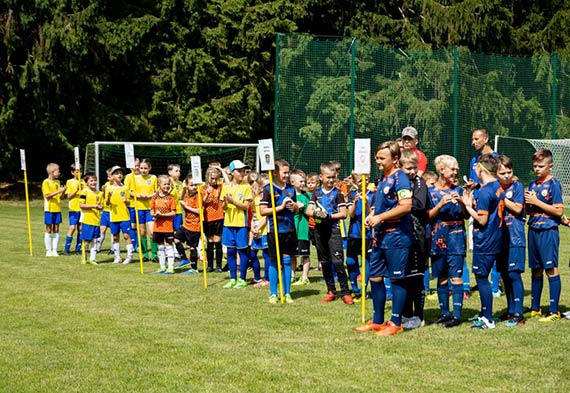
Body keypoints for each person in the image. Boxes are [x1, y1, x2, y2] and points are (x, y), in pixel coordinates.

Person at [355, 141, 412, 336]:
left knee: (396, 279)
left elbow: (406, 206)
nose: (377, 161)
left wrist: (380, 217)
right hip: (380, 236)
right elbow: (380, 205)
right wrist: (372, 215)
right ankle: (378, 320)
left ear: (395, 159)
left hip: (397, 236)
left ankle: (395, 322)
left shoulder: (401, 178)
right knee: (375, 276)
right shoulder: (382, 178)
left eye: (381, 158)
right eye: (377, 157)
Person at [462, 154, 504, 329]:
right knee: (483, 277)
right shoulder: (496, 187)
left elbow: (482, 220)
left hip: (485, 240)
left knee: (481, 277)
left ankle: (488, 318)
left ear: (481, 169)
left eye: (476, 168)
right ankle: (484, 313)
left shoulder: (486, 192)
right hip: (496, 237)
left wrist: (468, 206)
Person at [524, 149, 565, 322]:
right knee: (536, 270)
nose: (537, 169)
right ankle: (535, 308)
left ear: (550, 166)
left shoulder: (554, 184)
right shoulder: (533, 185)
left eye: (540, 166)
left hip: (548, 230)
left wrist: (537, 202)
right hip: (533, 229)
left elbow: (558, 210)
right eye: (535, 166)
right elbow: (528, 209)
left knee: (551, 269)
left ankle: (554, 311)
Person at [427, 155, 467, 328]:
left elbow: (466, 215)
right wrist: (440, 204)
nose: (455, 172)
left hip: (456, 237)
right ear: (441, 170)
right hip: (438, 237)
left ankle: (457, 315)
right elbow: (428, 216)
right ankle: (444, 313)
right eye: (453, 169)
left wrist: (463, 204)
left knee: (456, 276)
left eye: (457, 169)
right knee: (441, 276)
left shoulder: (459, 190)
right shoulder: (430, 191)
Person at [306, 162, 353, 305]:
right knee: (325, 262)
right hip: (319, 232)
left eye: (333, 177)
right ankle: (331, 291)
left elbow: (344, 214)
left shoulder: (337, 194)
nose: (331, 180)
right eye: (328, 177)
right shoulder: (317, 193)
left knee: (338, 262)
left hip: (334, 230)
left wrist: (329, 216)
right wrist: (316, 213)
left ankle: (345, 292)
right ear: (321, 177)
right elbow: (308, 211)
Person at [465, 128, 501, 297]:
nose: (473, 142)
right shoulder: (474, 159)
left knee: (492, 245)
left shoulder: (496, 158)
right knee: (478, 246)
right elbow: (479, 182)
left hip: (491, 207)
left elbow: (498, 181)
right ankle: (484, 281)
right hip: (477, 204)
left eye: (476, 138)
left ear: (486, 139)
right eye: (472, 139)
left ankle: (495, 285)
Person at [260, 159, 299, 303]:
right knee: (274, 261)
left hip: (289, 230)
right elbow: (263, 211)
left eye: (288, 172)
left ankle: (287, 293)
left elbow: (295, 211)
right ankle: (273, 293)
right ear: (275, 173)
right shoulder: (268, 189)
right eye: (285, 172)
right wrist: (280, 207)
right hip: (274, 230)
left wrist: (294, 206)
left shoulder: (291, 189)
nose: (287, 175)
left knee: (287, 260)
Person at [399, 150, 429, 329]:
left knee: (416, 277)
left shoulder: (419, 182)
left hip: (416, 234)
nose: (412, 171)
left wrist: (402, 204)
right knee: (402, 275)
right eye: (408, 168)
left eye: (414, 168)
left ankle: (419, 314)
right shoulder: (397, 181)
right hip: (399, 234)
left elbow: (418, 204)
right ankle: (405, 313)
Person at [496, 155, 526, 327]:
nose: (507, 175)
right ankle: (509, 310)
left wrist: (501, 197)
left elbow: (517, 208)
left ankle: (519, 313)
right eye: (502, 173)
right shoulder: (495, 187)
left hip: (515, 237)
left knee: (514, 274)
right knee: (505, 275)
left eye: (509, 172)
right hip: (500, 239)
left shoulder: (518, 186)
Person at [220, 160, 253, 288]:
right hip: (228, 223)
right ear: (232, 172)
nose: (241, 173)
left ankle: (242, 278)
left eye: (243, 171)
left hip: (241, 224)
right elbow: (223, 207)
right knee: (230, 251)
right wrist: (225, 203)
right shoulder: (226, 187)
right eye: (239, 170)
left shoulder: (246, 187)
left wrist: (232, 201)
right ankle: (233, 278)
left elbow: (246, 206)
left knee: (243, 251)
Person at [345, 172, 374, 301]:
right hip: (354, 233)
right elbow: (350, 214)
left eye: (366, 179)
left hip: (367, 234)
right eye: (360, 181)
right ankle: (354, 288)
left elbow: (373, 212)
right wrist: (355, 202)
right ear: (356, 183)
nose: (364, 182)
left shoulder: (373, 194)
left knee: (367, 261)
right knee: (350, 261)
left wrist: (367, 203)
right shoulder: (351, 195)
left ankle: (364, 289)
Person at [106, 166, 134, 264]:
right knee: (115, 237)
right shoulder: (108, 188)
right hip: (114, 216)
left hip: (124, 216)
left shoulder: (125, 188)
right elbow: (106, 203)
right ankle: (117, 257)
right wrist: (108, 198)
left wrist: (126, 201)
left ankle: (129, 256)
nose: (119, 175)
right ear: (112, 176)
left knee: (126, 235)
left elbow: (129, 202)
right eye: (116, 173)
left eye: (121, 173)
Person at [174, 174, 201, 274]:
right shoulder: (187, 195)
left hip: (195, 226)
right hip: (186, 225)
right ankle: (184, 258)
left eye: (195, 185)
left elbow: (199, 211)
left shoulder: (198, 196)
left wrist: (186, 207)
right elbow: (180, 199)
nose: (194, 187)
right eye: (191, 185)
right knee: (176, 239)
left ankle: (194, 268)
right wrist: (184, 188)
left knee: (192, 247)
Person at [200, 166, 225, 272]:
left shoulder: (219, 187)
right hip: (207, 218)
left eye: (216, 178)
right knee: (210, 241)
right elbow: (201, 203)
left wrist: (221, 170)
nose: (214, 181)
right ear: (207, 177)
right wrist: (207, 194)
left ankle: (218, 266)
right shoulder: (202, 189)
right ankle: (210, 265)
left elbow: (228, 182)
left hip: (219, 216)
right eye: (212, 178)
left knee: (217, 241)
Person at [150, 175, 177, 274]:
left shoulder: (171, 198)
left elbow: (173, 212)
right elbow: (151, 211)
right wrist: (155, 214)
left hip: (168, 227)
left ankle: (170, 267)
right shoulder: (155, 197)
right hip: (158, 227)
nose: (166, 186)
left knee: (169, 246)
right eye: (164, 184)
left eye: (168, 184)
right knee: (160, 247)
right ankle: (162, 267)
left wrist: (162, 214)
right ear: (159, 185)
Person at [132, 158, 157, 261]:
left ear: (149, 168)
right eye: (141, 168)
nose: (143, 170)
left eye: (145, 168)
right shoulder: (135, 178)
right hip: (139, 208)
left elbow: (157, 192)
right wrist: (138, 195)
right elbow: (130, 192)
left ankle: (155, 255)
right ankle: (145, 254)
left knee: (152, 231)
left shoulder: (154, 178)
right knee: (142, 232)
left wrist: (149, 196)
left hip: (150, 208)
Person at [290, 170, 311, 286]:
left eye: (304, 181)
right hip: (292, 230)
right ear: (292, 182)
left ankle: (304, 277)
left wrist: (302, 207)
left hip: (303, 230)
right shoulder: (289, 195)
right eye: (301, 181)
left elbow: (310, 211)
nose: (303, 183)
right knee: (292, 254)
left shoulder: (306, 196)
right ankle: (292, 275)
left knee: (305, 254)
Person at [42, 163, 66, 257]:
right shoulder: (46, 182)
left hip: (57, 208)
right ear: (52, 172)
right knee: (49, 228)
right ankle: (48, 250)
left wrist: (62, 192)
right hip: (49, 208)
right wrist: (58, 191)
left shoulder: (58, 182)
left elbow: (60, 196)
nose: (59, 173)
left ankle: (54, 250)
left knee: (56, 228)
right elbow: (47, 196)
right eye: (58, 171)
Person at [251, 173, 270, 287]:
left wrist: (258, 228)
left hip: (266, 231)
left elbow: (266, 217)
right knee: (252, 254)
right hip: (256, 231)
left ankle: (267, 279)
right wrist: (253, 227)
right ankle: (257, 277)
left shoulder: (269, 200)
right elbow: (254, 215)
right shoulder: (256, 199)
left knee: (266, 255)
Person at [79, 172, 102, 265]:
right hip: (87, 219)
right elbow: (81, 205)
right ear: (86, 182)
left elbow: (101, 205)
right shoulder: (84, 192)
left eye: (95, 180)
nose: (93, 182)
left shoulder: (99, 193)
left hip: (96, 220)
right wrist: (93, 206)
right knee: (87, 240)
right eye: (91, 181)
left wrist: (100, 207)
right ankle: (84, 257)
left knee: (95, 240)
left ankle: (93, 259)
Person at [64, 163, 84, 255]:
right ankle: (66, 248)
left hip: (82, 209)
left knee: (81, 229)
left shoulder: (84, 182)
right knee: (72, 228)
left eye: (80, 171)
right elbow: (69, 196)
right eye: (77, 171)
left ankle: (78, 249)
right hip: (73, 209)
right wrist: (76, 190)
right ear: (72, 172)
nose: (79, 173)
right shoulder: (70, 182)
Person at [124, 157, 140, 252]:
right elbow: (127, 190)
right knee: (133, 225)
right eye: (134, 166)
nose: (136, 168)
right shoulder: (128, 177)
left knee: (140, 227)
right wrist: (136, 195)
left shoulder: (142, 176)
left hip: (141, 205)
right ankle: (133, 244)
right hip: (132, 205)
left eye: (138, 165)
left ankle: (139, 245)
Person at [96, 168, 113, 253]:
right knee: (102, 229)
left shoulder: (118, 186)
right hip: (105, 211)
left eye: (109, 177)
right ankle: (97, 248)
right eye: (108, 176)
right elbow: (103, 196)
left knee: (113, 231)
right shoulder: (106, 185)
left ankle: (113, 248)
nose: (108, 178)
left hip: (113, 212)